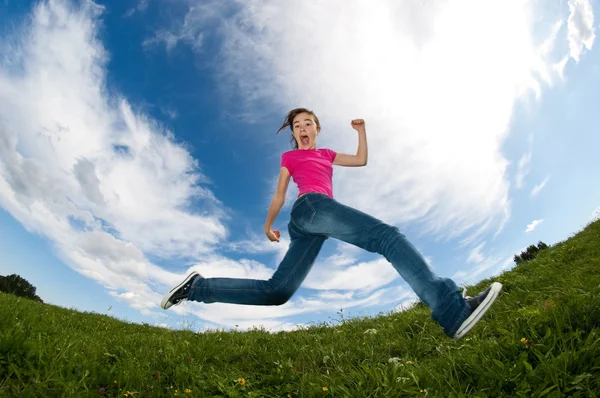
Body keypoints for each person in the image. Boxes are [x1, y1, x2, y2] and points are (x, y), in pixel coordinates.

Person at [161, 108, 502, 339]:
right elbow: (280, 194)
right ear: (293, 134)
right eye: (297, 126)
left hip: (315, 223)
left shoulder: (325, 154)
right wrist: (268, 225)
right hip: (309, 208)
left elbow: (361, 159)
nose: (303, 128)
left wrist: (362, 131)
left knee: (277, 291)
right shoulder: (290, 157)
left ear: (317, 129)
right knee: (387, 237)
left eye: (308, 123)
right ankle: (451, 309)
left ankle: (196, 288)